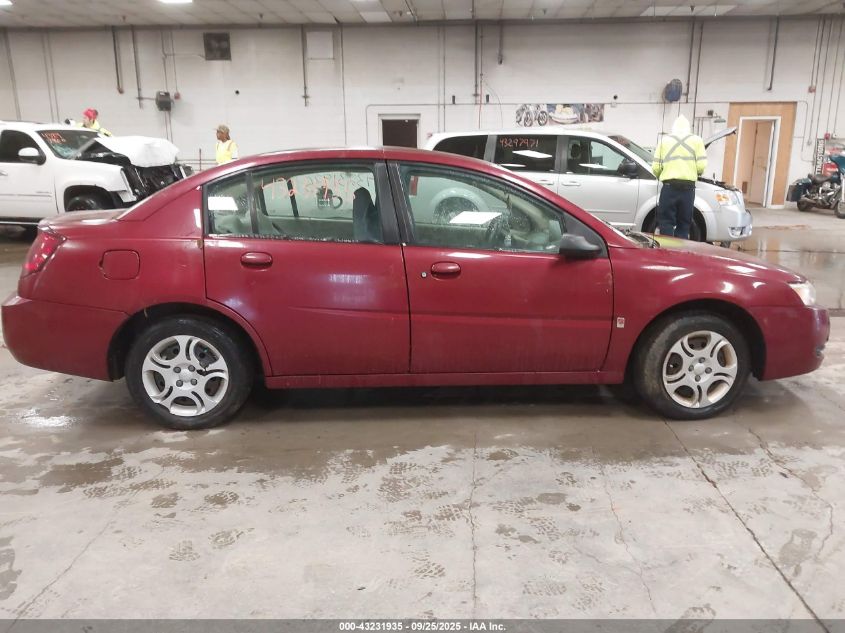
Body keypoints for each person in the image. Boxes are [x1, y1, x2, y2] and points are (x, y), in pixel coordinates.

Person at [652, 114, 707, 239]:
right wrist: (694, 173)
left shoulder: (664, 141)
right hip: (688, 189)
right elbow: (701, 167)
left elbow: (655, 168)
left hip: (669, 187)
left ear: (673, 128)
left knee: (666, 221)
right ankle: (679, 253)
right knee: (684, 223)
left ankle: (667, 251)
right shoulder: (697, 140)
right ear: (688, 128)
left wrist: (661, 175)